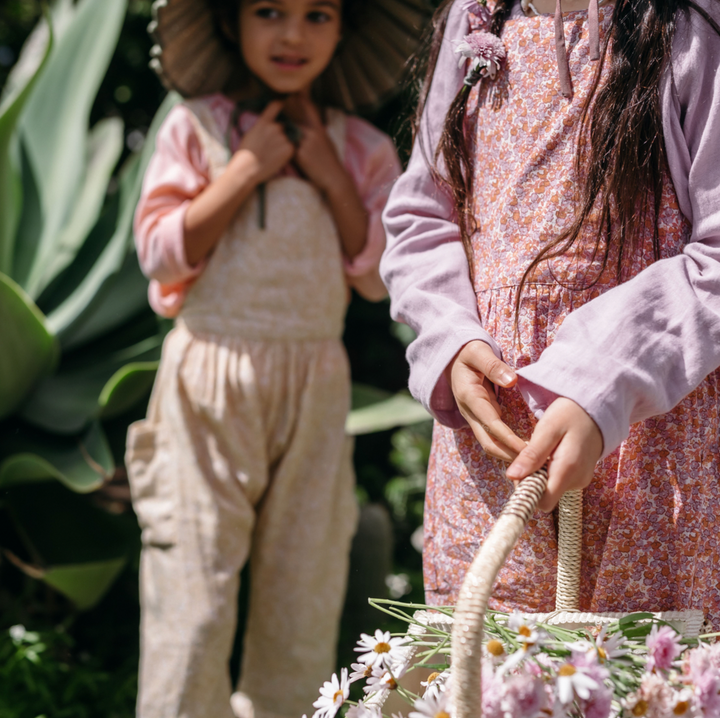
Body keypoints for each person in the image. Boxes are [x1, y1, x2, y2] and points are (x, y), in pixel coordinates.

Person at [381, 0, 720, 630]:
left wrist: (602, 382)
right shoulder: (479, 16)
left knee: (647, 678)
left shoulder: (692, 25)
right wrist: (449, 341)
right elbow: (422, 217)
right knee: (492, 673)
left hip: (656, 457)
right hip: (490, 457)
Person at [125, 0, 403, 715]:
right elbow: (158, 255)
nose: (292, 35)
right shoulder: (195, 130)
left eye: (317, 14)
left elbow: (378, 278)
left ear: (345, 29)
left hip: (314, 388)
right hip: (208, 384)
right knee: (192, 597)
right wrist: (245, 170)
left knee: (302, 594)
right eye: (269, 10)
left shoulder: (362, 149)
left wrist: (328, 175)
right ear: (229, 21)